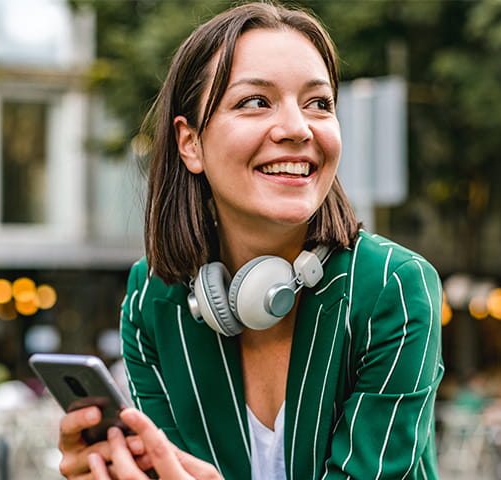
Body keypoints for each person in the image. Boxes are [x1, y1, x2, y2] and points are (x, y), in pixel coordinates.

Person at [57, 2, 444, 479]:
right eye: (255, 102)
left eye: (318, 104)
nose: (298, 129)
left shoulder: (392, 287)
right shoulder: (154, 298)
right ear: (190, 143)